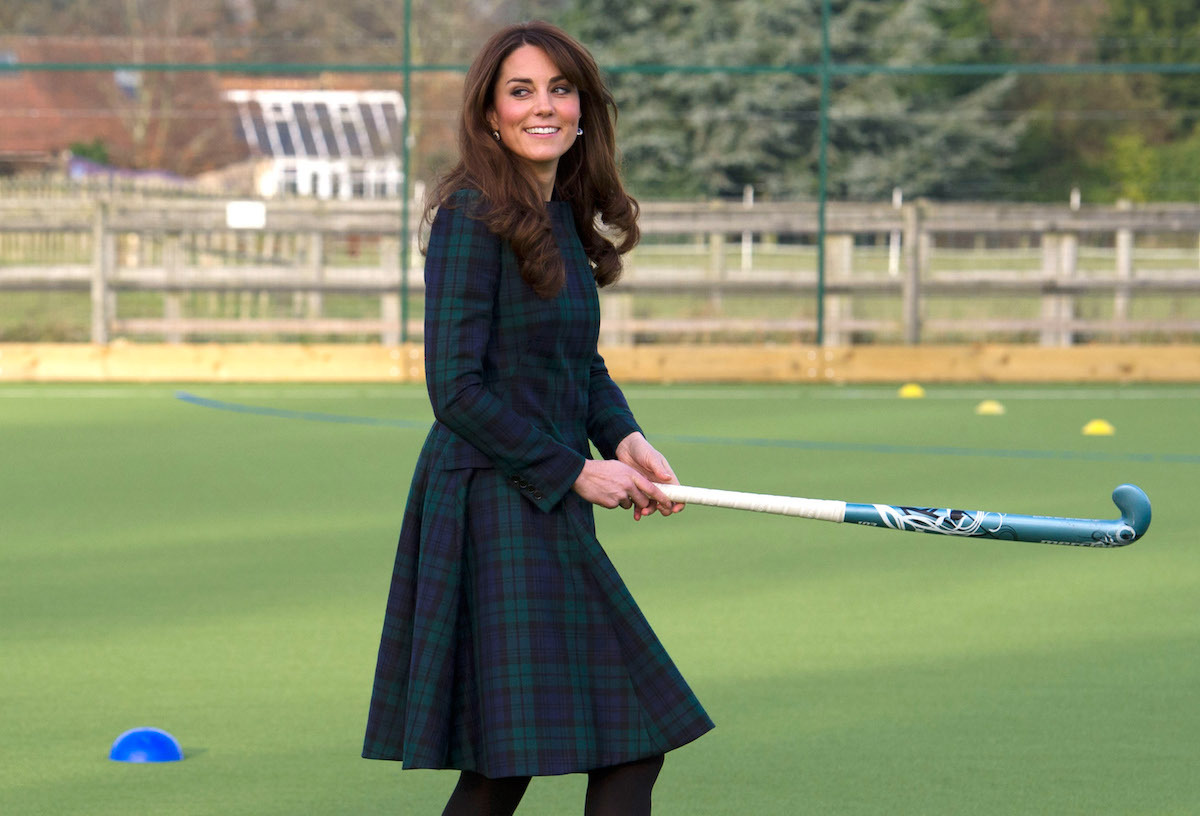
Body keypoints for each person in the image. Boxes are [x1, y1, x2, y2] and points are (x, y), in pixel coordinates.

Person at [362, 20, 713, 816]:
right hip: (492, 501)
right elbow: (454, 390)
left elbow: (578, 364)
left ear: (583, 109)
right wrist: (576, 471)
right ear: (490, 113)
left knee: (519, 758)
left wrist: (625, 438)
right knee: (610, 739)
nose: (543, 106)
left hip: (543, 497)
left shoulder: (560, 216)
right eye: (521, 91)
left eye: (560, 89)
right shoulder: (470, 214)